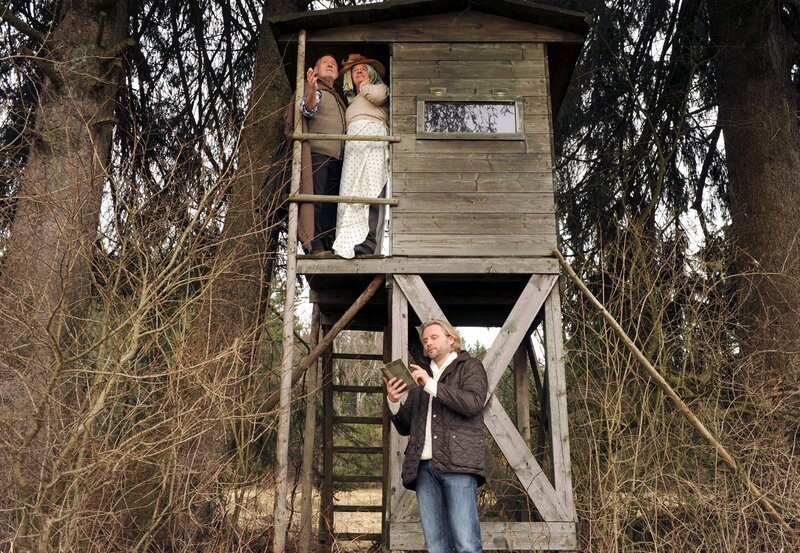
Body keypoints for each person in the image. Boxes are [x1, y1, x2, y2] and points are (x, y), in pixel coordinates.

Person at [385, 320, 488, 553]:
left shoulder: (470, 367)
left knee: (467, 544)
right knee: (436, 546)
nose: (428, 342)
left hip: (458, 466)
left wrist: (430, 385)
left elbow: (472, 404)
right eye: (425, 340)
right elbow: (405, 426)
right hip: (423, 468)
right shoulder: (421, 375)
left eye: (434, 337)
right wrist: (393, 401)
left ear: (450, 339)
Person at [331, 54, 390, 259]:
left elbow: (379, 98)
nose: (358, 72)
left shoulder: (378, 88)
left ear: (371, 74)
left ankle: (369, 240)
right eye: (354, 71)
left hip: (373, 139)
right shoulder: (351, 102)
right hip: (354, 146)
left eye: (363, 69)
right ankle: (348, 241)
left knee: (372, 188)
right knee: (351, 193)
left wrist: (365, 85)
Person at [295, 54, 347, 256]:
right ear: (315, 71)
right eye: (326, 62)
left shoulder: (336, 96)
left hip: (336, 158)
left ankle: (327, 245)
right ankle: (313, 245)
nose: (331, 64)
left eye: (334, 63)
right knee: (315, 201)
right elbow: (307, 109)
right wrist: (312, 91)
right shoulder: (313, 89)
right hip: (317, 154)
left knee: (329, 205)